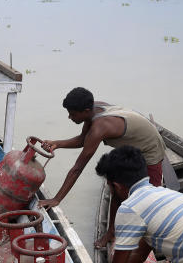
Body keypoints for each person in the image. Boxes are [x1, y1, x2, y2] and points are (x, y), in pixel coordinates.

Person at [34, 87, 166, 248]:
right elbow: (84, 139)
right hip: (131, 148)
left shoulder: (99, 127)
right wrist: (58, 144)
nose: (69, 117)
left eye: (73, 114)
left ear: (86, 110)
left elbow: (77, 168)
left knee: (149, 201)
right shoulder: (93, 110)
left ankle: (151, 240)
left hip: (150, 149)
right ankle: (111, 232)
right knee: (117, 191)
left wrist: (57, 199)